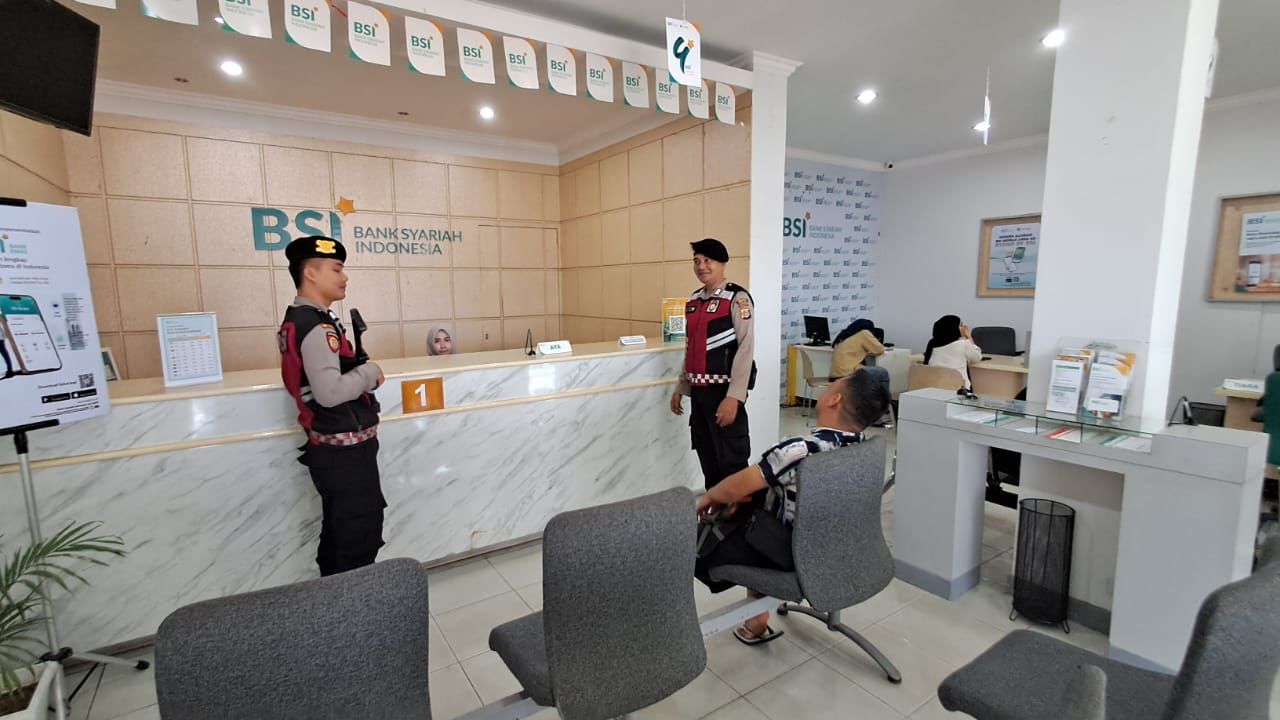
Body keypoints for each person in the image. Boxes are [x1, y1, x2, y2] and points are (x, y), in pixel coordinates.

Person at [695, 368, 891, 644]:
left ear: (834, 399)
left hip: (794, 554)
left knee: (712, 534)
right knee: (757, 509)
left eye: (833, 384)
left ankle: (689, 624)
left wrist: (707, 499)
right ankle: (756, 619)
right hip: (840, 549)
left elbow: (734, 487)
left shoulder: (799, 451)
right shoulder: (864, 449)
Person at [278, 236, 386, 577]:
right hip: (344, 454)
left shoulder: (305, 319)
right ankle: (351, 603)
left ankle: (338, 600)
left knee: (343, 531)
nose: (344, 277)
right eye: (336, 269)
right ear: (310, 273)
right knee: (355, 535)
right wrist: (370, 373)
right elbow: (328, 392)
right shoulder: (316, 325)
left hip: (337, 452)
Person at [670, 238, 756, 490]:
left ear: (722, 264)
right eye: (697, 261)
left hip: (724, 393)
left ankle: (742, 514)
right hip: (699, 395)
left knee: (732, 461)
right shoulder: (694, 300)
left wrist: (735, 397)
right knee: (708, 459)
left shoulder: (737, 298)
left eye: (708, 260)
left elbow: (746, 349)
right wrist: (682, 387)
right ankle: (717, 512)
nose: (701, 266)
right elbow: (691, 348)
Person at [924, 314, 982, 390]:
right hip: (959, 389)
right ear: (953, 328)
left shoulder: (931, 343)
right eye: (961, 325)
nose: (963, 327)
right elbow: (977, 357)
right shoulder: (963, 344)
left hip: (935, 387)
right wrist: (968, 336)